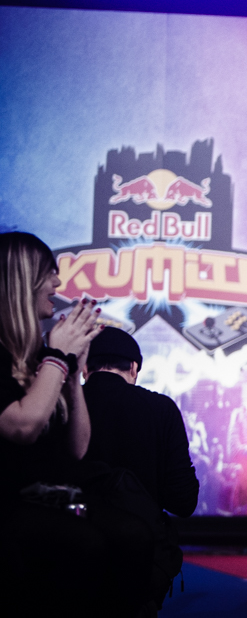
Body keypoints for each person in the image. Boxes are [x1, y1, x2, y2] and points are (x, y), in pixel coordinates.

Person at [0, 231, 106, 611]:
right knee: (87, 545)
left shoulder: (37, 359)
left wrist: (73, 373)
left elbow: (77, 448)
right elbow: (23, 426)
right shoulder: (39, 359)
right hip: (10, 512)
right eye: (49, 273)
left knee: (130, 534)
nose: (58, 284)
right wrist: (58, 356)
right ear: (22, 280)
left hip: (45, 504)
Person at [84, 327, 199, 517]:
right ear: (133, 368)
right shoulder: (162, 408)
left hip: (71, 532)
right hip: (140, 533)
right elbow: (183, 501)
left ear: (84, 368)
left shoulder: (64, 403)